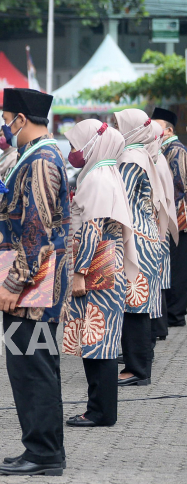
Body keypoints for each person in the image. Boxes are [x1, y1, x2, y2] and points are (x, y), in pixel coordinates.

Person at [0, 88, 69, 477]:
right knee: (34, 366)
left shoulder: (40, 159)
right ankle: (43, 446)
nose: (4, 128)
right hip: (33, 278)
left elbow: (36, 229)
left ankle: (43, 452)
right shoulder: (36, 155)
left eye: (7, 120)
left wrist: (12, 284)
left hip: (32, 284)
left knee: (32, 367)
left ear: (21, 119)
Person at [61, 120, 138, 428]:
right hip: (107, 264)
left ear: (93, 144)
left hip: (97, 268)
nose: (72, 151)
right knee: (99, 341)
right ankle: (98, 409)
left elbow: (92, 229)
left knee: (99, 344)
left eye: (75, 143)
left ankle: (99, 412)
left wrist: (79, 273)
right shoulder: (106, 172)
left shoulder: (96, 178)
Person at [113, 108, 161, 387]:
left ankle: (137, 369)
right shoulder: (140, 152)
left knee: (135, 307)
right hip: (145, 236)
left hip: (136, 240)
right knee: (138, 306)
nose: (116, 130)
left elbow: (121, 198)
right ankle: (140, 364)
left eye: (119, 125)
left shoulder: (130, 158)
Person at [152, 107, 187, 327]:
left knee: (178, 266)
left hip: (179, 218)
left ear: (168, 129)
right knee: (172, 265)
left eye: (157, 127)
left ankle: (176, 314)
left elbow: (180, 183)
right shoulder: (163, 148)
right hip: (171, 216)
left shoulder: (176, 149)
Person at [146, 122, 176, 346]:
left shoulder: (155, 158)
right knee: (158, 280)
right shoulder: (156, 155)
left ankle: (157, 328)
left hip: (155, 226)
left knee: (156, 281)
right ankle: (158, 328)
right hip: (157, 225)